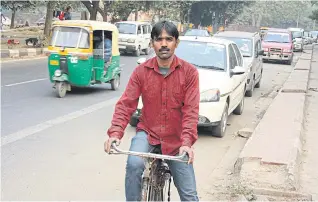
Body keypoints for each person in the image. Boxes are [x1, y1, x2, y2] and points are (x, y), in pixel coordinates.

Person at [104, 20, 200, 201]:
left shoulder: (189, 73)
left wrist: (186, 143)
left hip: (176, 139)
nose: (164, 44)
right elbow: (126, 104)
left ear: (176, 43)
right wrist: (115, 133)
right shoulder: (141, 71)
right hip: (148, 133)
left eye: (169, 39)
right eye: (159, 39)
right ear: (152, 43)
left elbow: (191, 111)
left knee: (190, 196)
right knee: (133, 164)